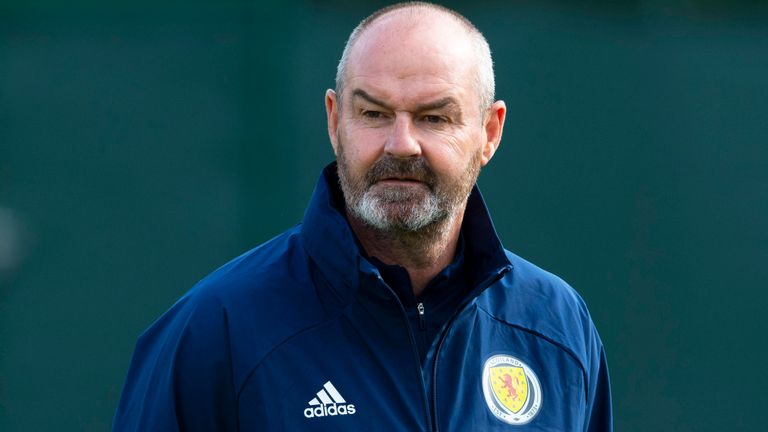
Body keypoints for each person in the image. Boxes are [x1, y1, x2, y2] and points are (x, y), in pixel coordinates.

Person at [113, 2, 612, 431]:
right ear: (335, 121)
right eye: (373, 114)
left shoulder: (555, 326)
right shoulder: (213, 331)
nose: (401, 144)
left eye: (433, 117)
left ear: (489, 132)